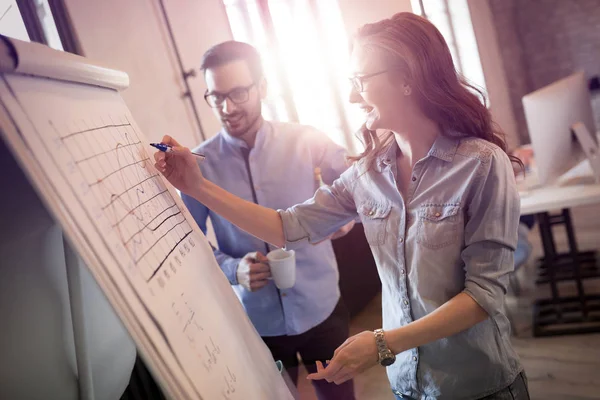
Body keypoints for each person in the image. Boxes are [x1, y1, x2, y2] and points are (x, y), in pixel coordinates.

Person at [155, 13, 530, 400]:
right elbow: (287, 226)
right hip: (408, 388)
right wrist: (195, 186)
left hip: (479, 387)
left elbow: (483, 295)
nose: (352, 96)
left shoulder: (482, 164)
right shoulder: (368, 173)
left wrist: (384, 343)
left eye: (360, 81)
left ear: (407, 78)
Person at [180, 41, 356, 399]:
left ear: (263, 87)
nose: (227, 108)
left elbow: (357, 189)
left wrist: (343, 222)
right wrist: (233, 270)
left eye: (238, 93)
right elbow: (190, 243)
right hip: (257, 322)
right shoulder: (197, 166)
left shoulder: (306, 140)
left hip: (322, 307)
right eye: (215, 97)